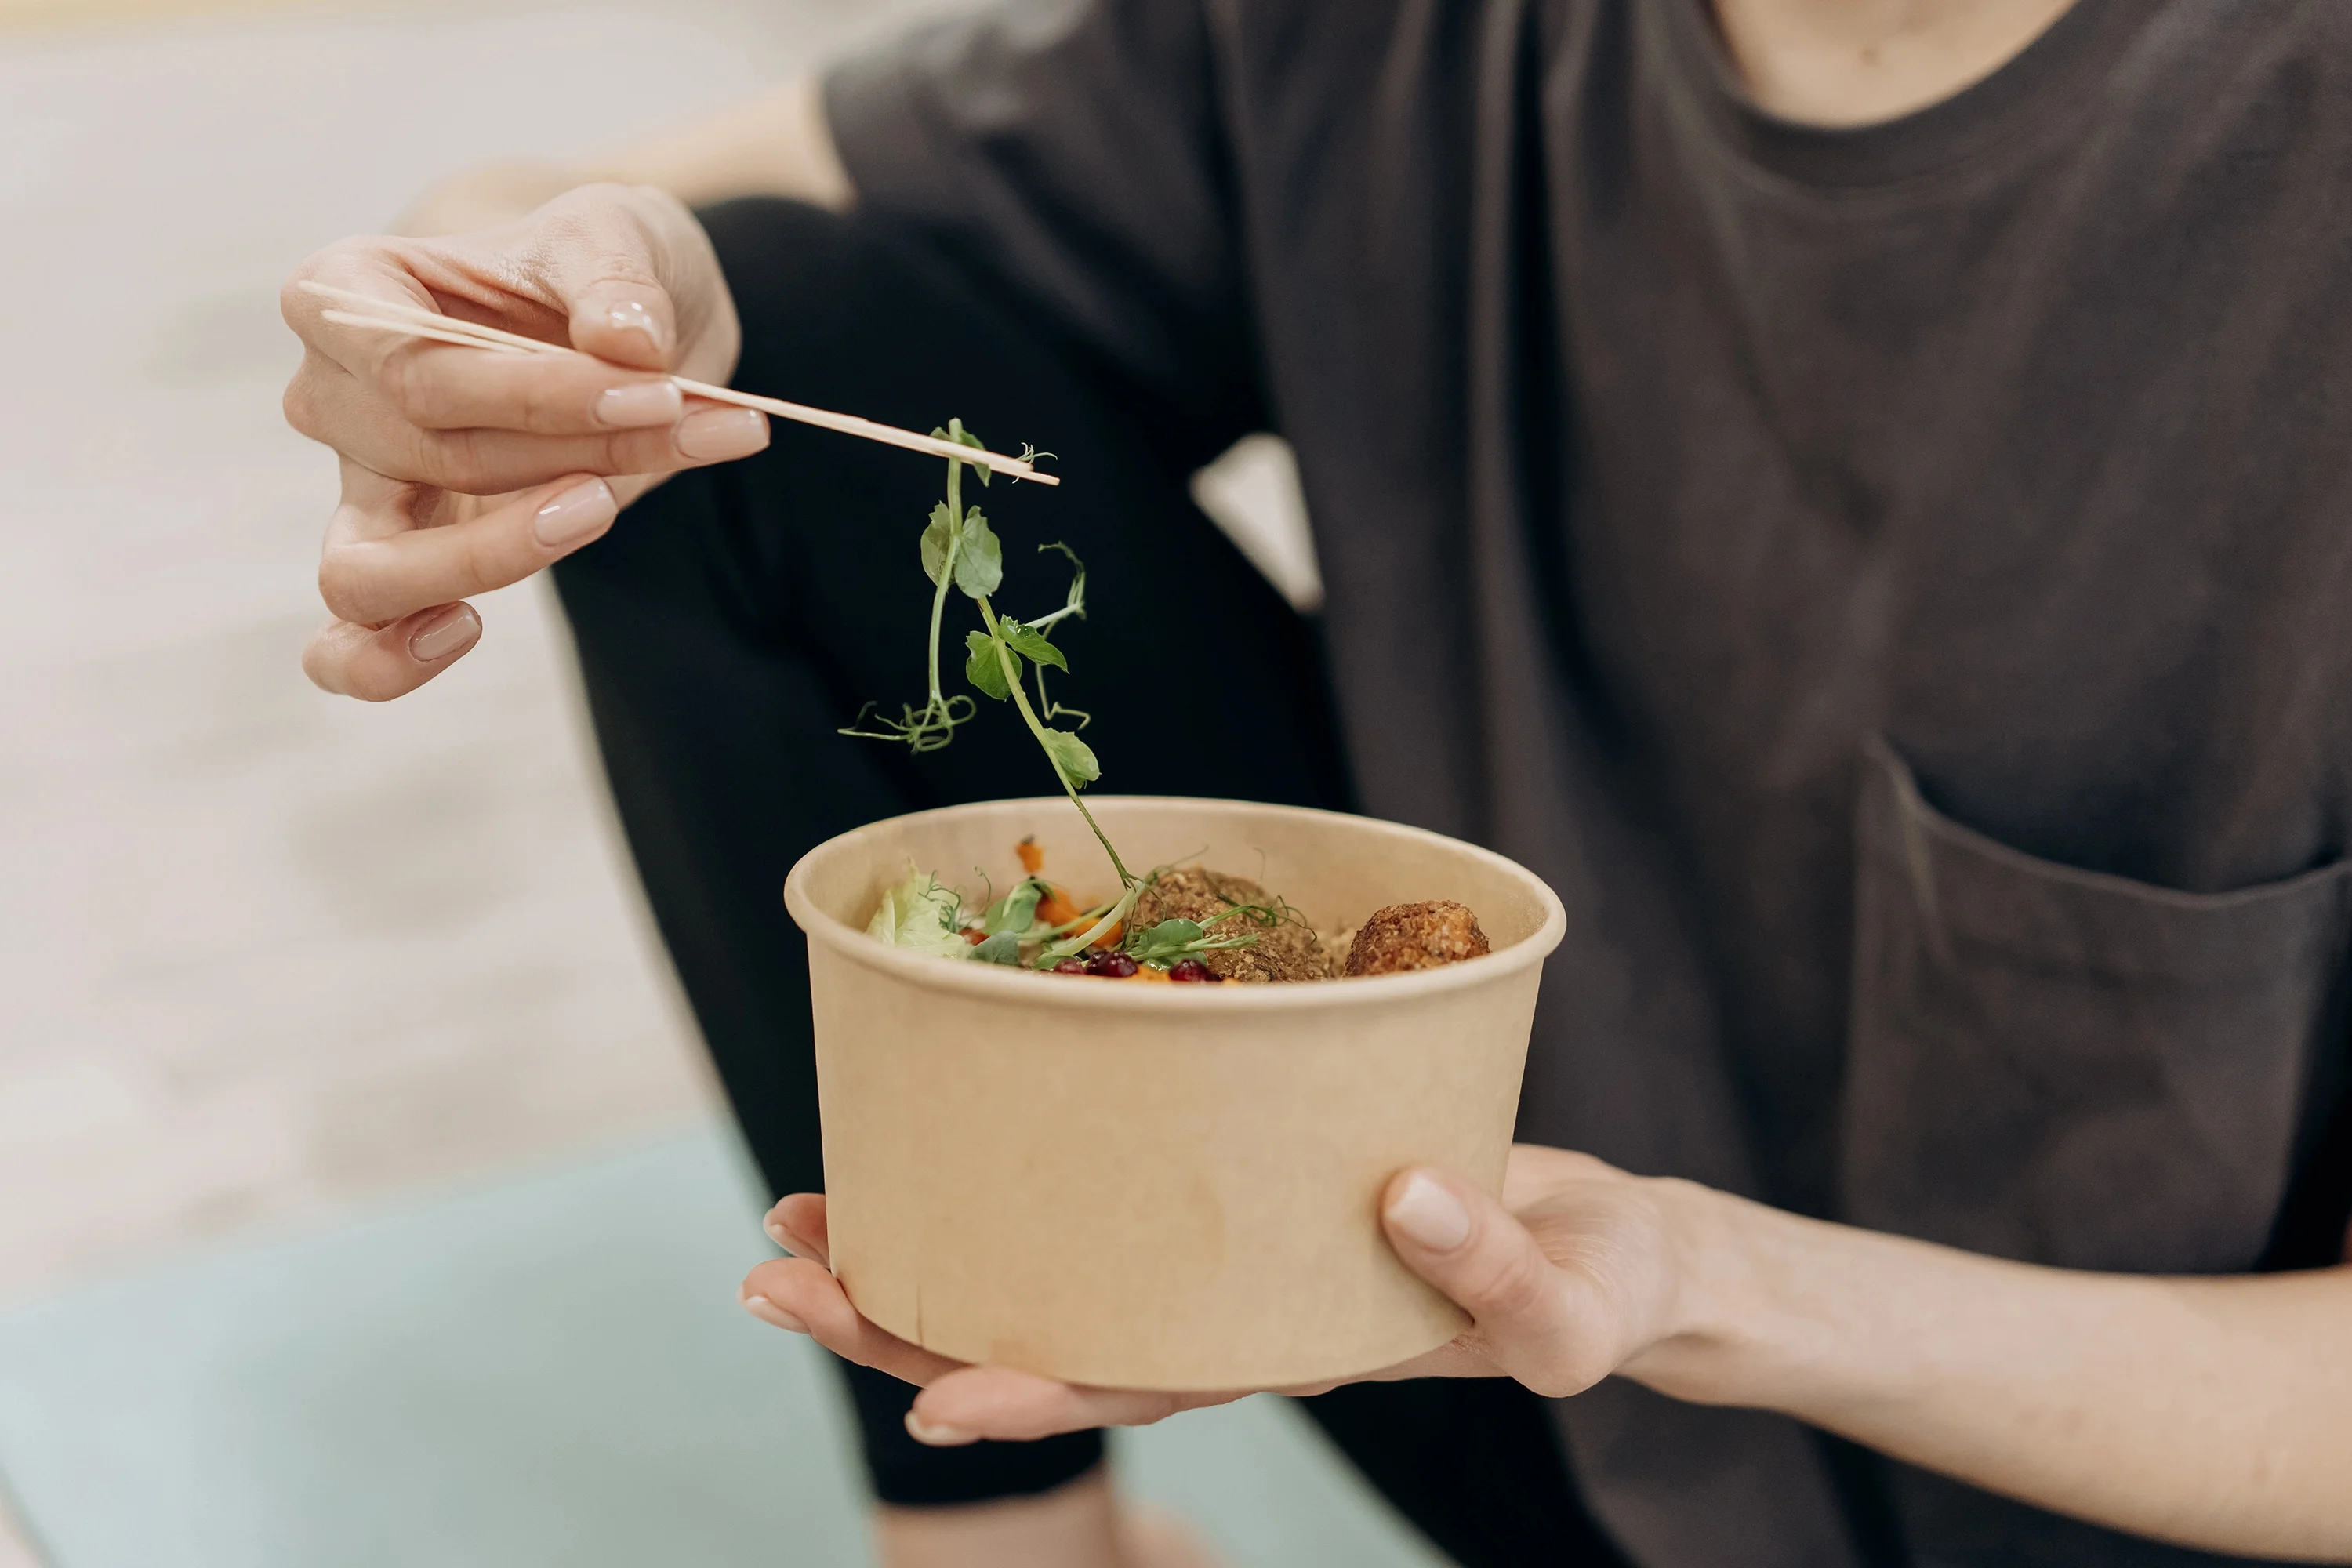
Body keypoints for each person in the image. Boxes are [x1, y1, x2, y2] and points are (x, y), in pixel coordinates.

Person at [277, 0, 2352, 1563]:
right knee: (754, 389)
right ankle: (1011, 1539)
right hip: (1472, 1321)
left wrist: (1703, 1285)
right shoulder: (1378, 44)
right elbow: (584, 222)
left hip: (2129, 1481)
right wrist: (509, 333)